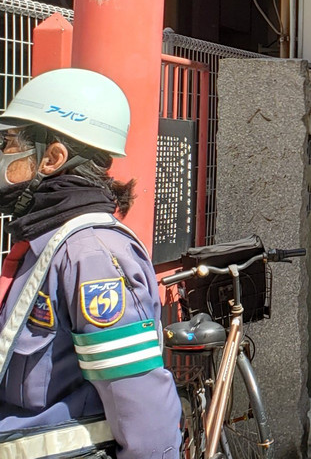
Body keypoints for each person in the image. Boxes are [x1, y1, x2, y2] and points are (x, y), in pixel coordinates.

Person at [0, 68, 181, 458]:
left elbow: (143, 410)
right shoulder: (43, 243)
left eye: (8, 143)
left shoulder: (93, 255)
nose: (3, 155)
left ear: (52, 157)